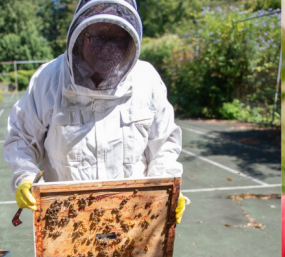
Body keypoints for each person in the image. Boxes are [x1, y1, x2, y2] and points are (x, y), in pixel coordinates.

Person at [4, 0, 186, 222]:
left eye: (117, 38)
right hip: (66, 220)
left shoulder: (147, 81)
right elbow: (21, 139)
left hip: (131, 219)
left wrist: (166, 188)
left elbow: (165, 144)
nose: (107, 48)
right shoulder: (48, 80)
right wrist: (26, 177)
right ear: (81, 36)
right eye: (98, 37)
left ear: (130, 40)